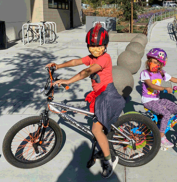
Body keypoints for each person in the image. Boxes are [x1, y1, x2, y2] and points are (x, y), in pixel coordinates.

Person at [45, 23, 125, 178]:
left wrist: (68, 81)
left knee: (95, 129)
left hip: (107, 96)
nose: (95, 49)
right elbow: (76, 62)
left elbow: (87, 71)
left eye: (99, 46)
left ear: (106, 46)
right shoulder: (92, 57)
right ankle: (99, 148)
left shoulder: (104, 58)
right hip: (99, 95)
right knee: (96, 125)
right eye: (92, 46)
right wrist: (58, 66)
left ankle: (110, 160)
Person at [140, 48, 177, 148]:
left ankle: (162, 125)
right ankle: (161, 137)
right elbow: (151, 85)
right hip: (148, 101)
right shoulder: (145, 73)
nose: (152, 64)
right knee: (166, 113)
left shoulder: (161, 73)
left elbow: (172, 78)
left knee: (175, 108)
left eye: (155, 62)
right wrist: (164, 88)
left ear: (160, 64)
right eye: (151, 61)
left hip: (157, 100)